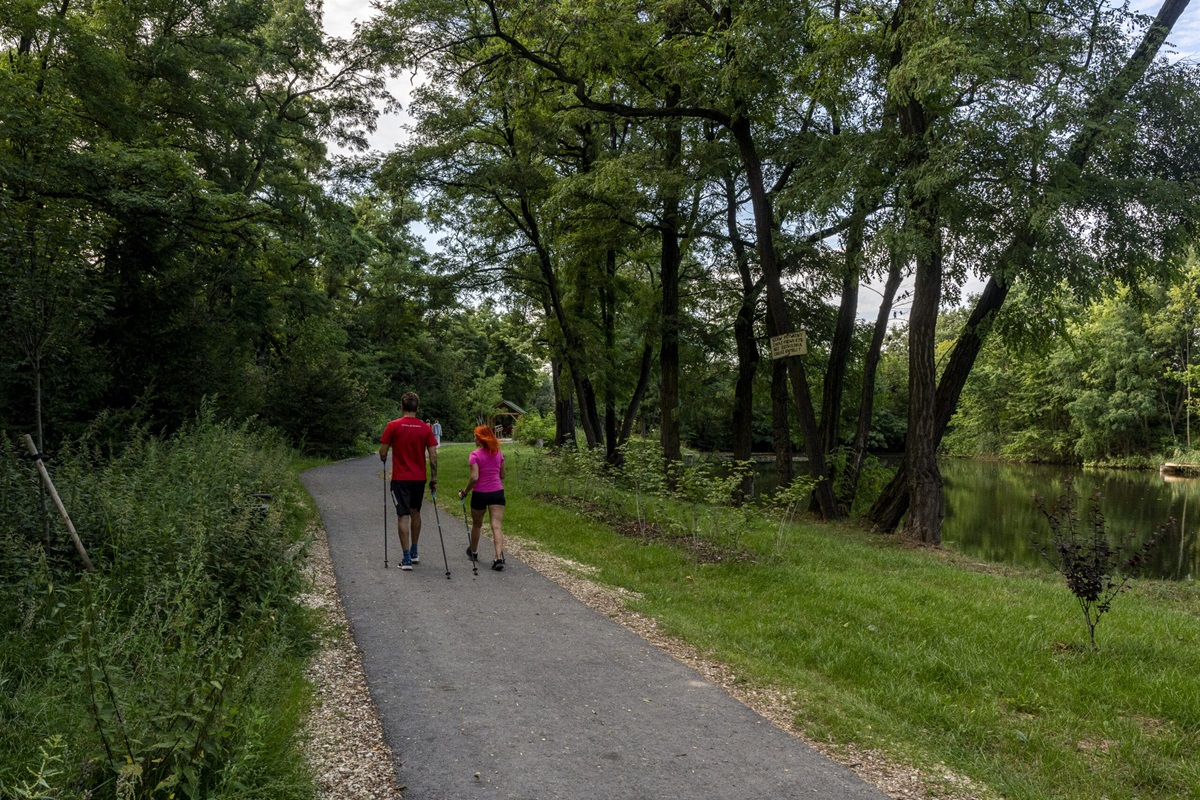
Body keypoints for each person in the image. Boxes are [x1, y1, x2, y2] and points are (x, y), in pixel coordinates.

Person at [379, 392, 438, 570]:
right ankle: (414, 551)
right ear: (417, 407)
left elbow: (383, 451)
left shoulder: (393, 426)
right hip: (419, 478)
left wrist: (384, 459)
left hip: (400, 478)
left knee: (402, 515)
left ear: (402, 406)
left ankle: (405, 559)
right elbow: (433, 456)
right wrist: (434, 478)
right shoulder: (425, 428)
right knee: (416, 512)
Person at [458, 425, 506, 571]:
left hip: (480, 493)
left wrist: (465, 492)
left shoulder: (474, 455)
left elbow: (474, 477)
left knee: (477, 525)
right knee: (496, 525)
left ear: (480, 438)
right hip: (497, 492)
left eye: (475, 436)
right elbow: (502, 475)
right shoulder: (498, 453)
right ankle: (498, 558)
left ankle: (473, 551)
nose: (474, 438)